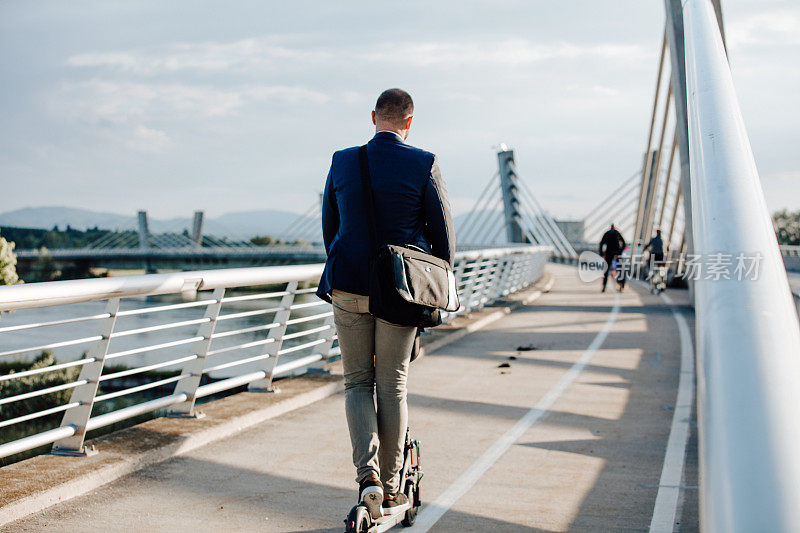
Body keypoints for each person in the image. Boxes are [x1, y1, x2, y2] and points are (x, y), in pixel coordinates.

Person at [317, 88, 455, 519]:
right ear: (409, 122)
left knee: (357, 382)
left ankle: (368, 477)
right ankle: (393, 487)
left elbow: (330, 226)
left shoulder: (342, 160)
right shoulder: (423, 163)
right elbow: (444, 240)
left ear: (373, 116)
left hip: (348, 285)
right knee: (391, 384)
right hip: (398, 291)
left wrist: (350, 267)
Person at [599, 223, 626, 292]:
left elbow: (602, 243)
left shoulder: (607, 233)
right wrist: (620, 251)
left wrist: (601, 253)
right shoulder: (618, 233)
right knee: (620, 269)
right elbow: (624, 243)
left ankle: (604, 286)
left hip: (608, 253)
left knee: (606, 270)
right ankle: (621, 285)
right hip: (617, 253)